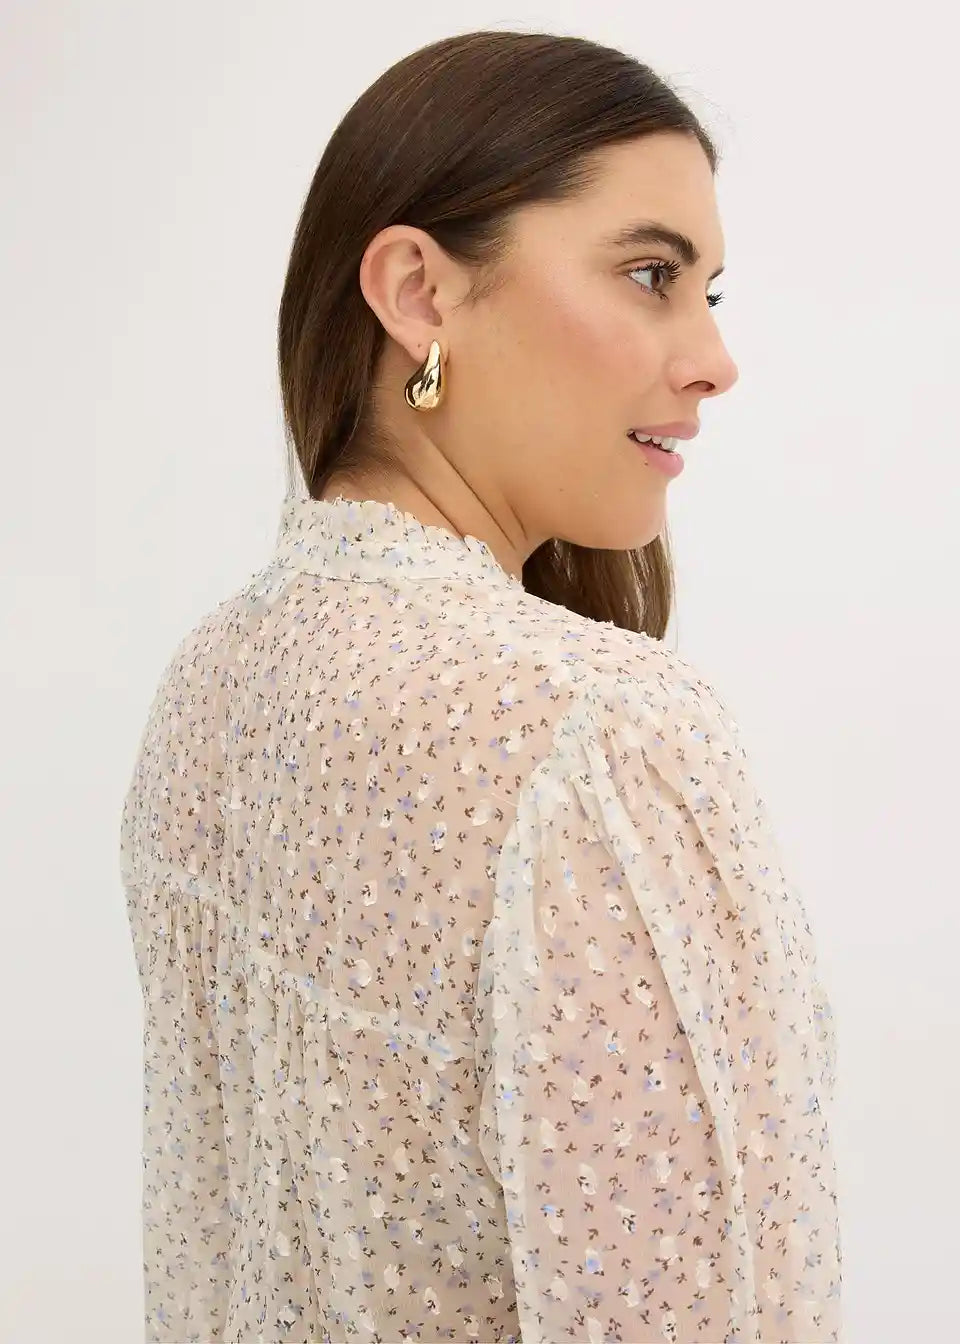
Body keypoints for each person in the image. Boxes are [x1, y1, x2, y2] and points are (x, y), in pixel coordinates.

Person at [120, 29, 842, 1344]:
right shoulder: (594, 736)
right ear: (419, 293)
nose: (713, 359)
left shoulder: (207, 688)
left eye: (710, 293)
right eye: (651, 273)